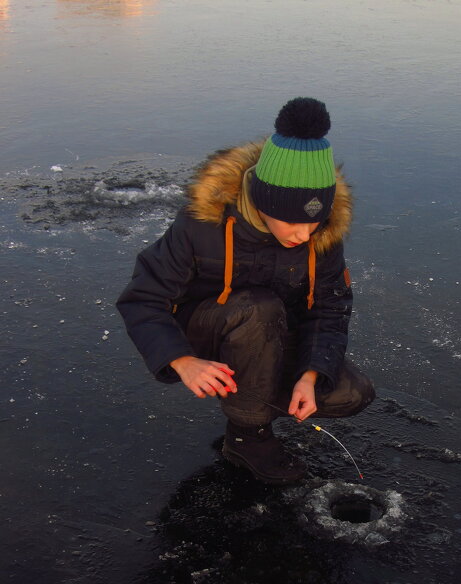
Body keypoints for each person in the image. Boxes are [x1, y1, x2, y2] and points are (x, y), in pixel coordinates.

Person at [116, 97, 374, 485]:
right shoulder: (200, 225)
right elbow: (143, 299)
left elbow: (330, 308)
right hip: (205, 334)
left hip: (270, 336)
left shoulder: (320, 237)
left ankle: (256, 391)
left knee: (350, 393)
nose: (305, 234)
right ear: (264, 200)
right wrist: (183, 361)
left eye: (315, 222)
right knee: (259, 308)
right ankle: (246, 436)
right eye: (293, 222)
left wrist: (310, 374)